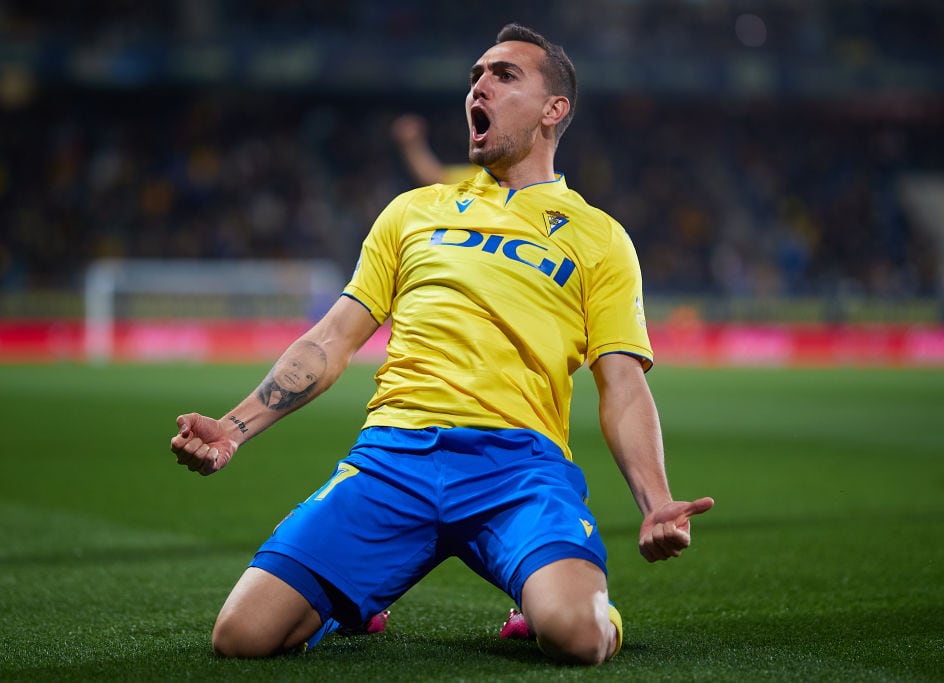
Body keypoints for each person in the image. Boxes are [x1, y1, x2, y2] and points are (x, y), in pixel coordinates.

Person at [170, 23, 714, 666]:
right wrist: (233, 428)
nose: (479, 85)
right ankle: (351, 603)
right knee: (240, 637)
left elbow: (622, 381)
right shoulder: (414, 211)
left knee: (578, 636)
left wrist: (655, 505)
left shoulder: (600, 238)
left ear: (554, 109)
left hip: (519, 469)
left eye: (503, 75)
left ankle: (560, 604)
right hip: (393, 458)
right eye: (475, 76)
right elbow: (333, 338)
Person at [390, 113, 479, 186]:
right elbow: (436, 177)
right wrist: (412, 144)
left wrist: (412, 145)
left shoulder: (486, 176)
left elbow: (434, 177)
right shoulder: (482, 175)